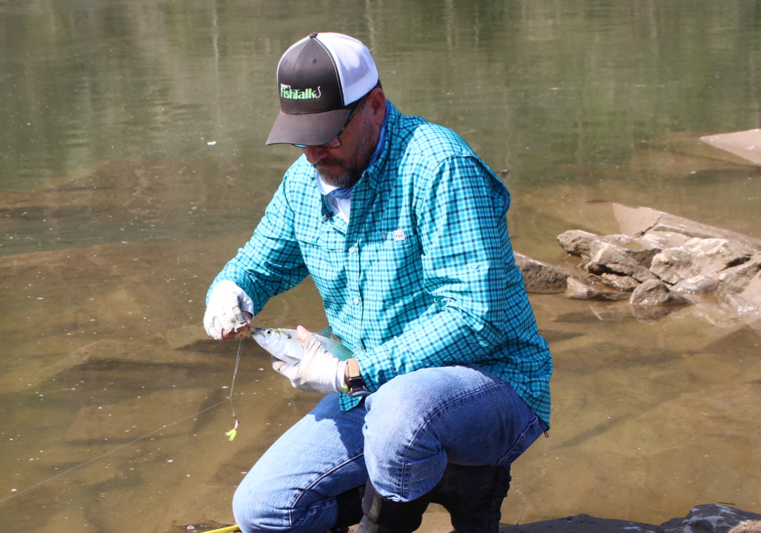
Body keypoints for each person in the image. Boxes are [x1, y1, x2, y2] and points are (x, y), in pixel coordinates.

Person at [203, 32, 552, 533]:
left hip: (492, 382)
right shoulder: (304, 183)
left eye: (330, 135)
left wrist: (353, 372)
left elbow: (477, 316)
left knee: (402, 411)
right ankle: (416, 483)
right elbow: (259, 263)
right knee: (261, 510)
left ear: (375, 105)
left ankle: (408, 507)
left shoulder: (439, 165)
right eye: (302, 138)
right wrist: (231, 290)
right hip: (374, 388)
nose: (315, 153)